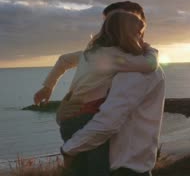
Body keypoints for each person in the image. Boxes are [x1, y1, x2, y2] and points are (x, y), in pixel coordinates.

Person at [58, 11, 158, 176]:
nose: (141, 38)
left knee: (78, 171)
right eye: (138, 33)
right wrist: (151, 49)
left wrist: (59, 113)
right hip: (88, 121)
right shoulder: (124, 62)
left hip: (73, 120)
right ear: (127, 34)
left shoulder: (91, 53)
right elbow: (150, 64)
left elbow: (64, 62)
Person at [33, 1, 149, 106]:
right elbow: (65, 60)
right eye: (106, 23)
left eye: (116, 21)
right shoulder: (100, 51)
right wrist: (48, 87)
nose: (108, 28)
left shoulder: (138, 59)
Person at [60, 62, 165, 176]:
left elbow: (107, 124)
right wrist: (63, 116)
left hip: (125, 170)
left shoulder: (136, 72)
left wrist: (68, 150)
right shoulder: (116, 68)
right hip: (106, 166)